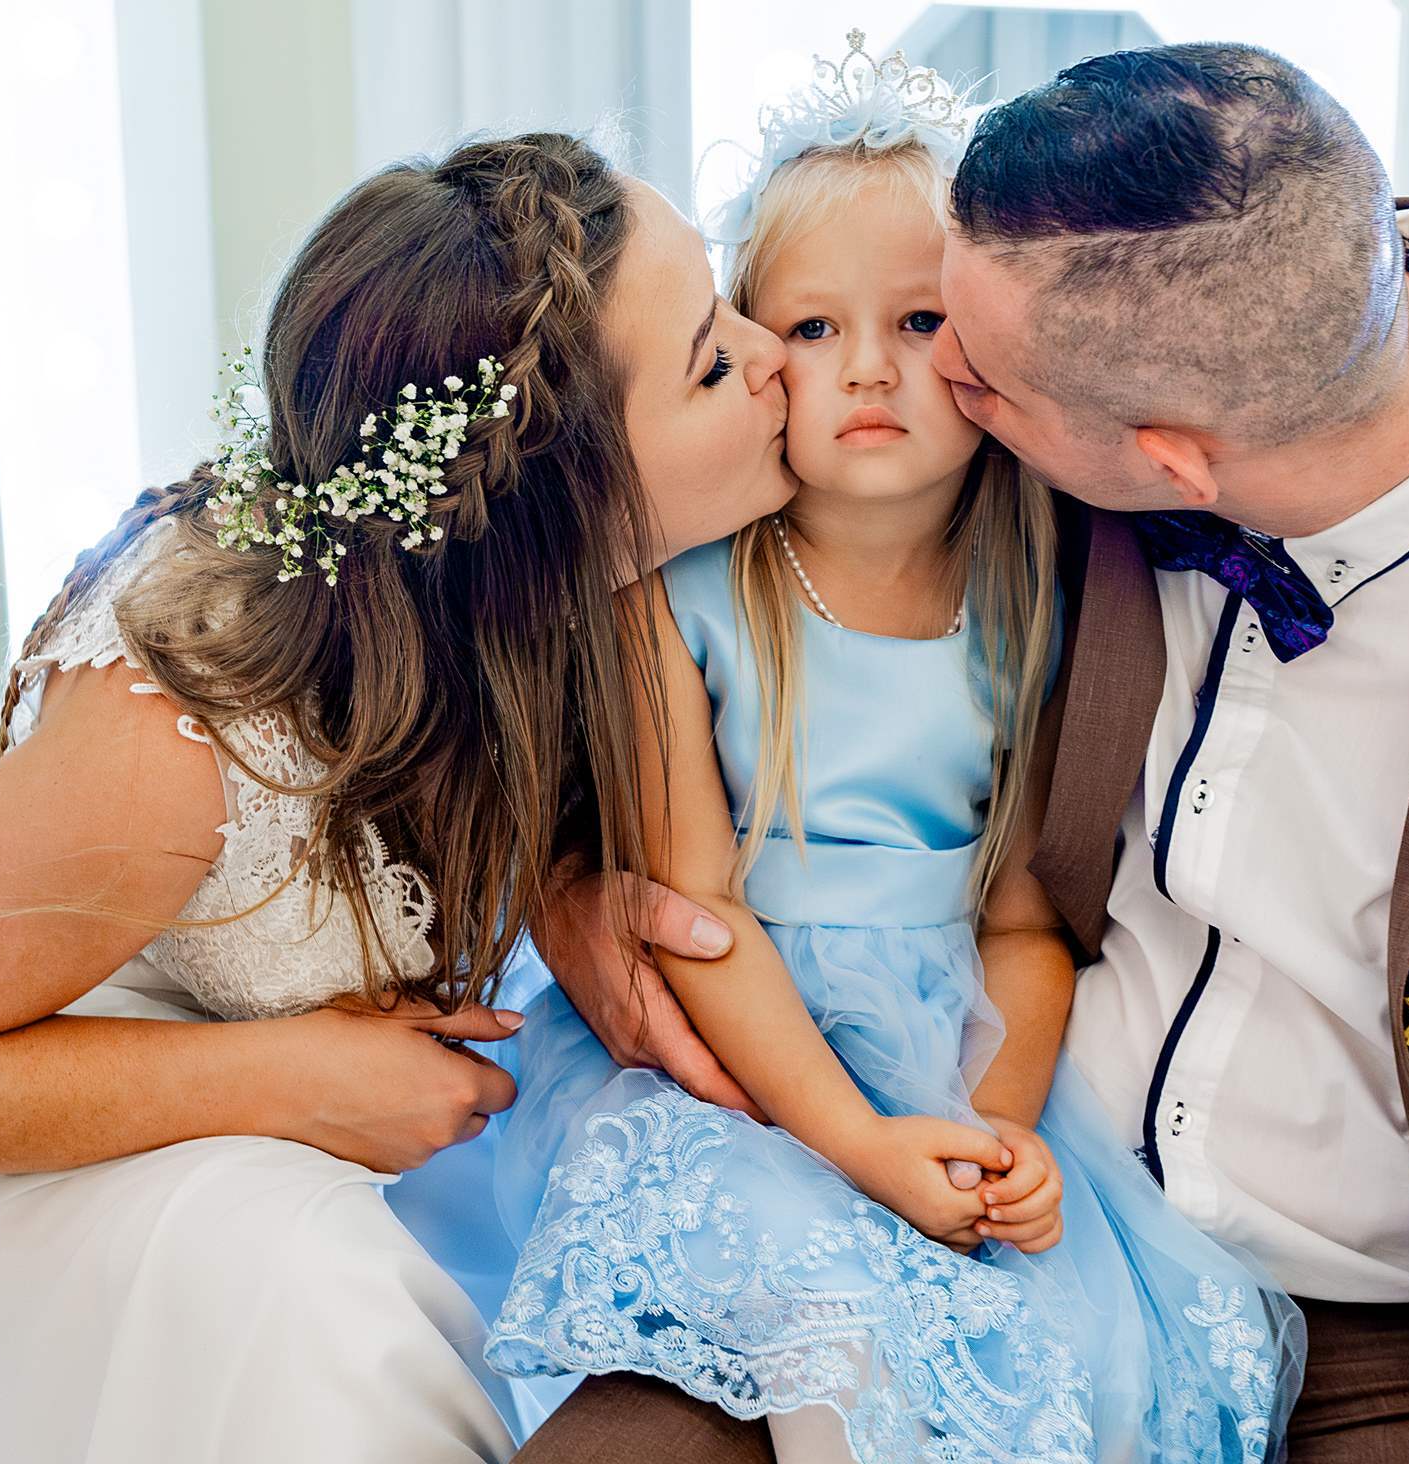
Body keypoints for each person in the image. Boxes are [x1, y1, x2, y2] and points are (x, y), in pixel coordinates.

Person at [539, 40, 1409, 1464]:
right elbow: (600, 577)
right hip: (928, 1200)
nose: (915, 378)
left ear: (1169, 461)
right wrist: (574, 889)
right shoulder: (1087, 304)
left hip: (1406, 1349)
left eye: (966, 362)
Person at [0, 132, 797, 1463]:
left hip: (304, 1110)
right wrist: (284, 1076)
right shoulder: (188, 733)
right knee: (329, 1314)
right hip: (54, 1135)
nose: (774, 354)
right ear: (555, 501)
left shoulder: (542, 595)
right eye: (711, 364)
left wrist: (562, 884)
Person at [477, 37, 1302, 1464]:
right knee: (824, 1327)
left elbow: (1026, 922)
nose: (867, 368)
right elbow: (694, 909)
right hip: (740, 1056)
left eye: (920, 321)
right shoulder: (678, 595)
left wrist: (986, 1137)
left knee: (1059, 1359)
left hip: (951, 1044)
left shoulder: (1041, 591)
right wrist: (859, 1147)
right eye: (811, 328)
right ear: (752, 353)